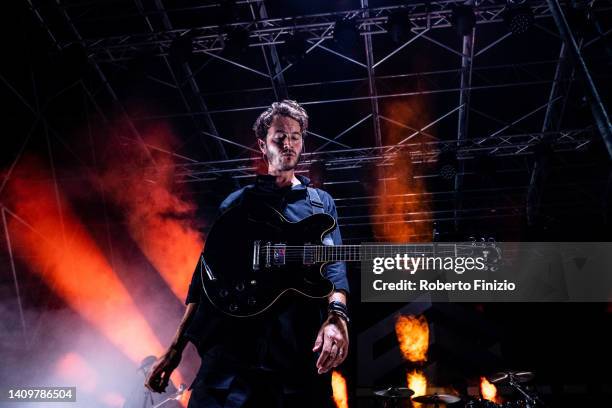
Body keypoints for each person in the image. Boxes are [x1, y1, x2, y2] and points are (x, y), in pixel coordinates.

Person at [145, 100, 350, 407]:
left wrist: (337, 317)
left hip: (295, 358)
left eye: (296, 136)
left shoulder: (320, 204)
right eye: (280, 135)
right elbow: (204, 279)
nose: (288, 143)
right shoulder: (236, 204)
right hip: (231, 361)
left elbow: (335, 269)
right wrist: (176, 348)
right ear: (262, 143)